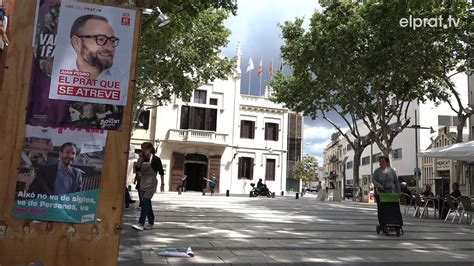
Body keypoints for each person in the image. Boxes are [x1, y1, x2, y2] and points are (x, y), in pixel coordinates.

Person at [17, 142, 84, 195]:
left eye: (73, 153)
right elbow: (32, 192)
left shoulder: (77, 175)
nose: (70, 156)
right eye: (68, 152)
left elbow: (77, 196)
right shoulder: (45, 171)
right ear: (60, 154)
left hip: (65, 211)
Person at [69, 14, 121, 80]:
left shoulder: (120, 77)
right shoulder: (56, 78)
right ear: (76, 42)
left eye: (112, 41)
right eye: (101, 39)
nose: (109, 48)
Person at [132, 142, 164, 231]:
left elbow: (161, 172)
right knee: (147, 203)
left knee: (145, 202)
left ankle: (141, 223)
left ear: (150, 149)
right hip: (143, 183)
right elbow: (137, 169)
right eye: (142, 149)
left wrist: (162, 184)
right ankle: (151, 222)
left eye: (145, 149)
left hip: (152, 183)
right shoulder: (142, 159)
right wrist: (139, 160)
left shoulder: (156, 159)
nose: (143, 151)